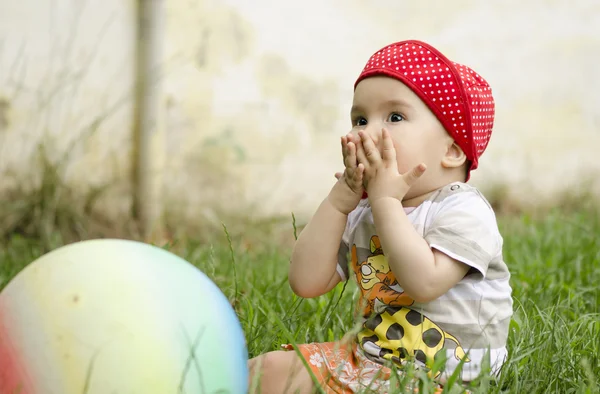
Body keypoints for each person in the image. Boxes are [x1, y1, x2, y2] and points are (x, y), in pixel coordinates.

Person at [248, 39, 513, 394]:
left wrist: (386, 200)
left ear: (451, 150)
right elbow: (306, 282)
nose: (365, 132)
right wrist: (339, 203)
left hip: (442, 380)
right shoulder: (364, 210)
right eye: (360, 119)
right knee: (266, 370)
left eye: (395, 117)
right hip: (370, 361)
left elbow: (425, 282)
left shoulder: (464, 210)